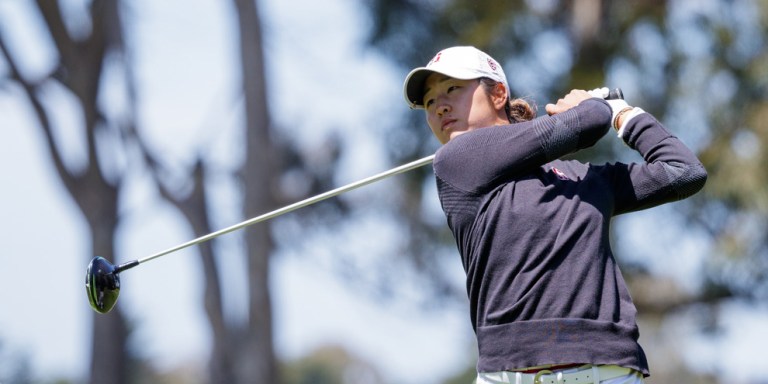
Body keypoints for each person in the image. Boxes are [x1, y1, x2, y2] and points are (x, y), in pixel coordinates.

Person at [403, 46, 707, 384]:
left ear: (499, 94)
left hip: (607, 370)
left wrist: (623, 113)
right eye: (429, 102)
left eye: (452, 89)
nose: (439, 106)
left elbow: (683, 172)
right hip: (510, 374)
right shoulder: (455, 161)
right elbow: (589, 122)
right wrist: (592, 105)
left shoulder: (582, 178)